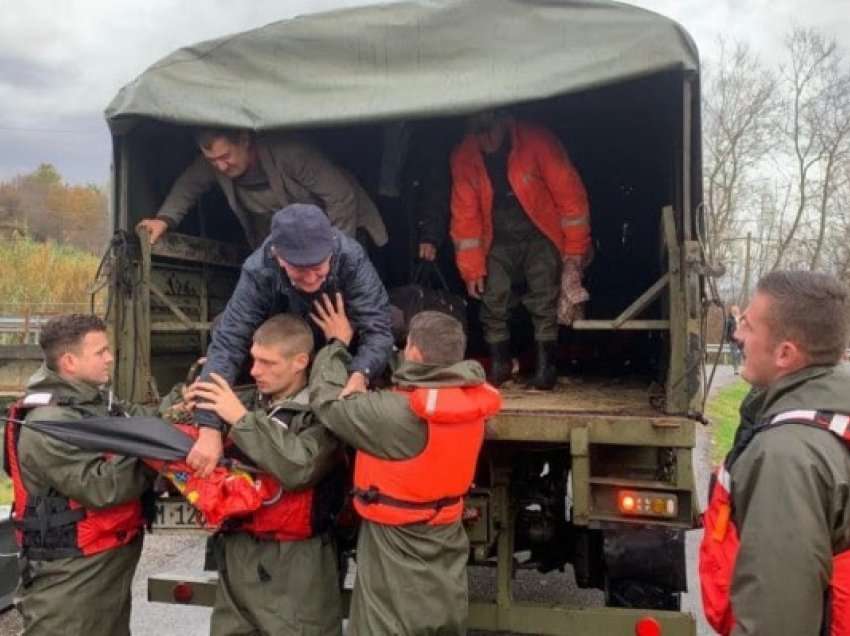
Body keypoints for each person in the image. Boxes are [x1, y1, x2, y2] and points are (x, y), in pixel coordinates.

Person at [309, 300, 502, 635]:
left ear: (412, 350)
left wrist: (336, 344)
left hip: (395, 541)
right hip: (445, 532)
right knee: (438, 616)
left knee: (385, 621)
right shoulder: (471, 405)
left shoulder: (395, 414)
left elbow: (327, 404)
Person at [186, 203, 393, 477]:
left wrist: (359, 374)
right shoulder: (259, 269)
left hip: (341, 335)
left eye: (318, 268)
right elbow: (229, 342)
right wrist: (209, 428)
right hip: (285, 333)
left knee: (394, 323)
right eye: (299, 269)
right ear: (278, 257)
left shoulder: (350, 257)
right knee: (222, 325)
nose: (311, 279)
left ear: (330, 248)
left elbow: (378, 329)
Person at [699, 271, 850, 636]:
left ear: (785, 353)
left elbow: (776, 622)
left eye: (748, 327)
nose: (737, 336)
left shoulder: (787, 457)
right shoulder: (832, 415)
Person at [186, 314, 343, 636]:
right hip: (237, 548)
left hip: (297, 562)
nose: (255, 370)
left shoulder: (324, 412)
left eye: (267, 363)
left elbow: (300, 468)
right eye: (253, 359)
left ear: (300, 362)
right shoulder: (240, 400)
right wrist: (193, 411)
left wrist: (241, 420)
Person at [4, 315, 160, 635]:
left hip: (101, 576)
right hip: (71, 584)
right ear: (70, 362)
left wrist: (184, 405)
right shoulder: (46, 424)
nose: (110, 358)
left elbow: (145, 419)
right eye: (100, 352)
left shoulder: (93, 404)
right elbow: (102, 486)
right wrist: (155, 453)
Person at [449, 110, 591, 390]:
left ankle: (545, 368)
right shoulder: (464, 156)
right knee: (493, 298)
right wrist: (471, 267)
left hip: (540, 233)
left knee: (544, 297)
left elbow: (570, 197)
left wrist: (574, 253)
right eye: (478, 131)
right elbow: (465, 216)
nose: (485, 137)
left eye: (489, 128)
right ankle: (500, 367)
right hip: (497, 238)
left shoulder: (537, 141)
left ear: (503, 121)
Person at [136, 127, 387, 250]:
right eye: (213, 161)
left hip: (343, 224)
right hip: (293, 240)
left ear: (245, 141)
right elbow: (188, 186)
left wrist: (334, 253)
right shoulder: (214, 164)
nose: (221, 166)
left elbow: (341, 197)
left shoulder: (291, 153)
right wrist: (164, 220)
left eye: (226, 157)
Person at [724, 304, 742, 374]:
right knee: (734, 355)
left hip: (741, 340)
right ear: (731, 311)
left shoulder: (741, 318)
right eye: (734, 310)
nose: (735, 311)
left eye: (736, 310)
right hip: (733, 340)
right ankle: (736, 369)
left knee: (741, 354)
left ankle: (740, 366)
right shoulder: (729, 320)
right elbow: (726, 330)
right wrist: (727, 339)